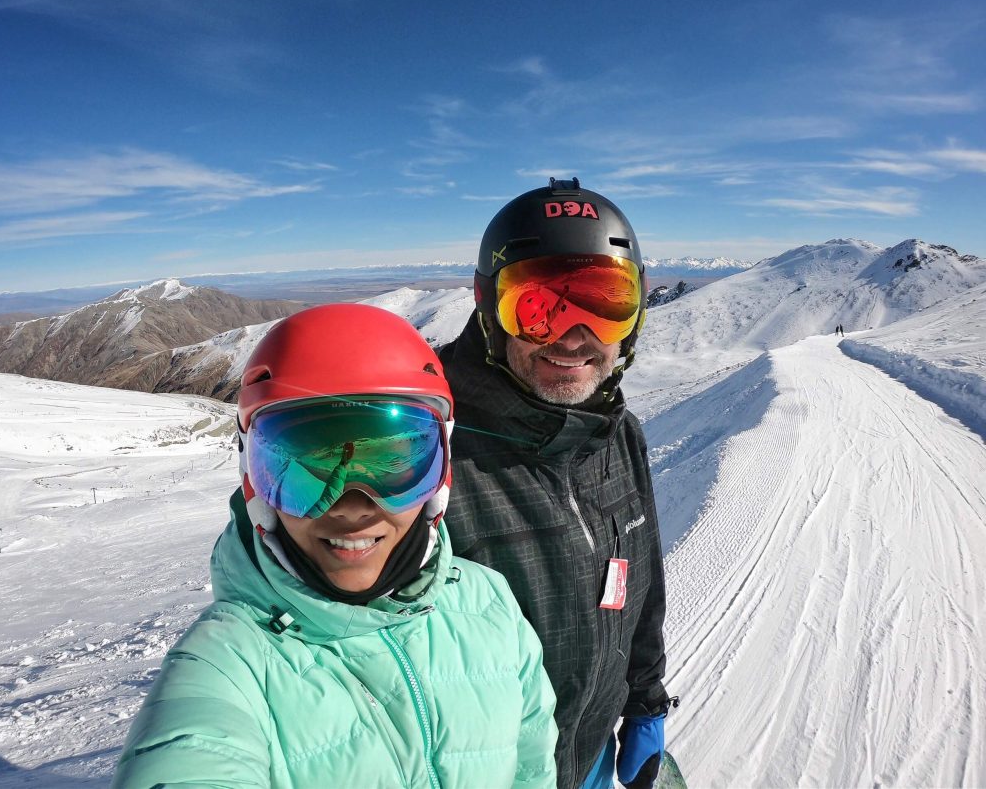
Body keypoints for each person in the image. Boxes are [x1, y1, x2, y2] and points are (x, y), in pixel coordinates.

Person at [113, 304, 558, 788]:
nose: (350, 507)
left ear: (442, 474)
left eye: (393, 464)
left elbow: (532, 770)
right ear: (252, 483)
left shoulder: (489, 603)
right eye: (304, 465)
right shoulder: (231, 663)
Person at [437, 179, 674, 789]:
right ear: (487, 304)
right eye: (538, 306)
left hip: (592, 760)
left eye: (606, 304)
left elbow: (641, 583)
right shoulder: (427, 447)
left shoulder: (621, 437)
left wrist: (644, 701)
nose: (574, 336)